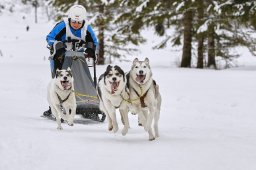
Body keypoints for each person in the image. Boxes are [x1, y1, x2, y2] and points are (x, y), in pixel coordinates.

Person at [43, 4, 98, 117]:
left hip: (79, 58)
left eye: (79, 22)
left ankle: (87, 105)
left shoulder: (87, 28)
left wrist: (91, 49)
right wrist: (58, 45)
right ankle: (54, 106)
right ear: (69, 19)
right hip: (59, 57)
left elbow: (94, 42)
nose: (76, 25)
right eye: (74, 22)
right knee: (59, 81)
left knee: (82, 78)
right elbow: (49, 37)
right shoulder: (63, 26)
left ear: (83, 21)